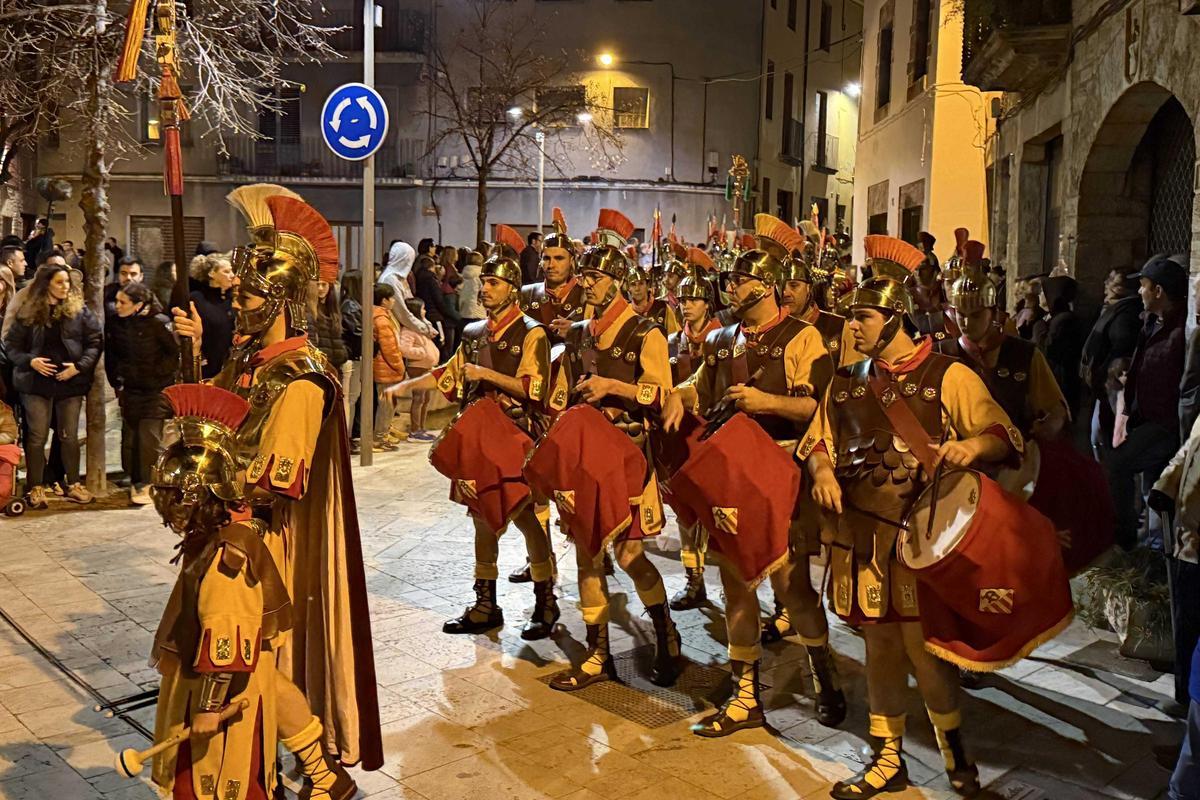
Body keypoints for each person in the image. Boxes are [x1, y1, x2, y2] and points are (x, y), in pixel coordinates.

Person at [798, 236, 1023, 798]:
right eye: (850, 318)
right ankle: (886, 757)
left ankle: (957, 763)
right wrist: (822, 470)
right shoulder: (846, 382)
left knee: (925, 656)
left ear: (896, 318)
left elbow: (1002, 434)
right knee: (877, 648)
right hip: (860, 541)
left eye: (865, 317)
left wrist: (972, 449)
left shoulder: (950, 375)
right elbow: (817, 440)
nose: (853, 328)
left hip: (920, 541)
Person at [173, 183, 383, 773]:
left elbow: (274, 481)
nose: (235, 304)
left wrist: (213, 480)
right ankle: (314, 770)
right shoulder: (249, 360)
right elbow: (208, 416)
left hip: (265, 540)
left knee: (255, 664)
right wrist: (193, 358)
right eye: (236, 294)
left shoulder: (302, 378)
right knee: (250, 665)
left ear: (282, 296)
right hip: (229, 527)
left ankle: (315, 770)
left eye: (247, 295)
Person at [663, 214, 847, 738]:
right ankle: (746, 696)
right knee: (735, 587)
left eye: (743, 280)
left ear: (768, 286)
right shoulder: (721, 338)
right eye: (731, 280)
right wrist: (679, 395)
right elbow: (699, 385)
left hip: (780, 474)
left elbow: (818, 407)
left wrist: (766, 401)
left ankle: (822, 673)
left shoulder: (803, 338)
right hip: (732, 479)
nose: (732, 287)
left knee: (793, 590)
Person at [148, 384, 357, 800]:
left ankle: (323, 774)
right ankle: (325, 775)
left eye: (174, 497)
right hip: (242, 674)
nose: (166, 505)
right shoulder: (211, 538)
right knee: (268, 678)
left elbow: (227, 634)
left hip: (220, 691)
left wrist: (208, 706)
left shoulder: (227, 557)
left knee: (224, 779)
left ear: (195, 496)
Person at [385, 243, 561, 639]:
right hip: (480, 441)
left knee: (527, 520)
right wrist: (407, 385)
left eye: (494, 283)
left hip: (516, 438)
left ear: (512, 288)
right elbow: (451, 374)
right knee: (482, 520)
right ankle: (485, 603)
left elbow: (535, 389)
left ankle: (545, 602)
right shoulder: (474, 332)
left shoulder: (532, 334)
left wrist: (487, 375)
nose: (485, 289)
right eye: (484, 282)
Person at [540, 208, 682, 691]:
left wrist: (613, 389)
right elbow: (561, 392)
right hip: (586, 460)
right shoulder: (579, 333)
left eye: (596, 277)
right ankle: (598, 653)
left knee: (629, 554)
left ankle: (665, 632)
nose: (588, 284)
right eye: (586, 277)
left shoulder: (647, 332)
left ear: (618, 280)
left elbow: (661, 393)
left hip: (628, 454)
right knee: (586, 554)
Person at [2, 263, 101, 507]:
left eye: (67, 282)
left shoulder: (80, 311)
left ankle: (73, 484)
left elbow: (94, 342)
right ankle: (36, 486)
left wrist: (78, 367)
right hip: (36, 383)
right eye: (59, 282)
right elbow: (12, 346)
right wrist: (31, 361)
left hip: (69, 381)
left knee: (69, 436)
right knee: (37, 436)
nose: (65, 286)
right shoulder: (29, 311)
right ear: (47, 284)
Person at [1110, 254, 1189, 550]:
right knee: (1156, 490)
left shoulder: (1182, 332)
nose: (1139, 292)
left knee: (1118, 465)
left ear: (1158, 291)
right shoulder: (1151, 324)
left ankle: (1126, 541)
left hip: (1165, 424)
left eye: (1143, 286)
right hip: (1146, 419)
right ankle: (1157, 553)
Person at [105, 282, 177, 505]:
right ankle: (133, 477)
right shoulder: (117, 324)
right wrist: (117, 378)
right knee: (130, 436)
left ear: (139, 305)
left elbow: (172, 355)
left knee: (149, 437)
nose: (117, 306)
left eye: (122, 302)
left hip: (155, 390)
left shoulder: (158, 324)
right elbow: (112, 355)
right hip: (131, 389)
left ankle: (149, 482)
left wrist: (159, 375)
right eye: (116, 301)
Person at [1081, 268, 1143, 456]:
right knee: (1098, 434)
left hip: (1113, 385)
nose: (1106, 285)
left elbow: (1121, 345)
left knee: (1103, 436)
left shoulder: (1126, 313)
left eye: (1113, 281)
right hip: (1104, 384)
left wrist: (1103, 369)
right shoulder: (1112, 309)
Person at [520, 208, 585, 343]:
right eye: (547, 258)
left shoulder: (587, 295)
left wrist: (578, 332)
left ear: (572, 261)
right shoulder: (526, 295)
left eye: (559, 258)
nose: (551, 265)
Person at [1033, 275, 1086, 419]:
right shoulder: (1055, 318)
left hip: (1060, 384)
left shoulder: (1063, 321)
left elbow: (1047, 349)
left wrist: (1038, 326)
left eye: (1043, 292)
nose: (1039, 295)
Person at [371, 283, 408, 452]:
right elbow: (389, 348)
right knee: (386, 405)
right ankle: (379, 437)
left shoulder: (380, 315)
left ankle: (384, 432)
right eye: (391, 297)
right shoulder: (381, 319)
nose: (393, 301)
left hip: (385, 366)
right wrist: (400, 367)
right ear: (384, 300)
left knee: (387, 404)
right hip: (386, 367)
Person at [188, 252, 236, 379]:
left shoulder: (233, 299)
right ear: (211, 274)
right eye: (226, 271)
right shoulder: (197, 299)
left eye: (231, 271)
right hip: (207, 367)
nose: (231, 276)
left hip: (230, 367)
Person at [379, 241, 438, 339]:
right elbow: (402, 311)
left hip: (407, 326)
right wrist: (424, 328)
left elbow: (412, 304)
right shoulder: (390, 280)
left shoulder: (400, 278)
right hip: (396, 328)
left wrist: (426, 324)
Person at [415, 244, 461, 361]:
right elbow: (438, 300)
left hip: (429, 313)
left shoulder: (420, 277)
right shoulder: (432, 280)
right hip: (436, 315)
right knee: (443, 344)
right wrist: (456, 316)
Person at [340, 270, 365, 443]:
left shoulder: (352, 304)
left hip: (356, 355)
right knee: (350, 398)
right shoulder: (350, 306)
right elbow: (358, 331)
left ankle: (348, 436)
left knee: (353, 397)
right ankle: (346, 437)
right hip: (353, 355)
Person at [627, 264, 681, 334]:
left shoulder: (663, 308)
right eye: (633, 285)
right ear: (629, 288)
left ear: (647, 286)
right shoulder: (626, 310)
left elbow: (673, 337)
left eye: (641, 283)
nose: (637, 289)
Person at [312, 277, 349, 378]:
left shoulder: (333, 310)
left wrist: (343, 353)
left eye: (324, 285)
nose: (320, 288)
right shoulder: (312, 311)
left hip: (336, 367)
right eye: (317, 285)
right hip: (321, 368)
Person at [104, 256, 144, 323]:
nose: (128, 277)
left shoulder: (147, 296)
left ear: (141, 276)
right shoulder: (107, 294)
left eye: (133, 274)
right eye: (123, 273)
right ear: (118, 275)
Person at [458, 251, 485, 324]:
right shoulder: (481, 276)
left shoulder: (463, 274)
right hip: (478, 311)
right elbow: (484, 290)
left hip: (464, 310)